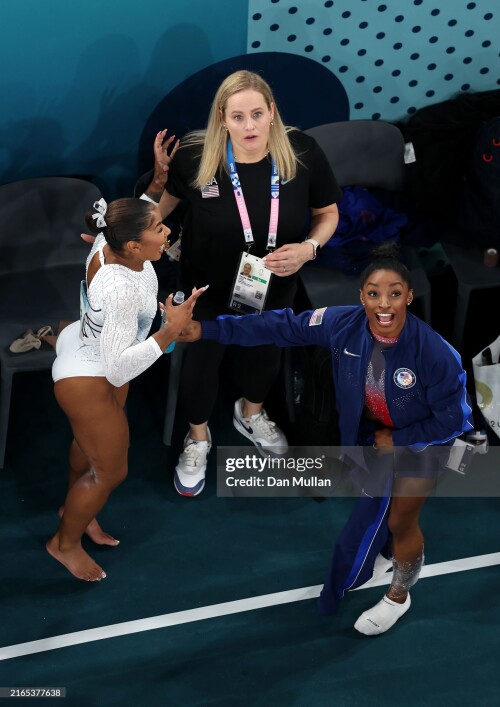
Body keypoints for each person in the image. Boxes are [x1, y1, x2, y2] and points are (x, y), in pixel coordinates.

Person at [178, 242, 474, 634]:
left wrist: (400, 437)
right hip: (372, 435)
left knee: (401, 521)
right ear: (361, 297)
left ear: (409, 296)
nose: (384, 304)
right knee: (375, 513)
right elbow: (280, 325)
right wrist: (204, 329)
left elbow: (455, 420)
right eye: (373, 293)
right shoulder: (342, 323)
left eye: (395, 294)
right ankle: (380, 553)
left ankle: (398, 596)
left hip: (423, 443)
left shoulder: (437, 355)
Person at [143, 70, 342, 497]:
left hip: (272, 288)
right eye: (238, 116)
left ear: (272, 112)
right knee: (200, 367)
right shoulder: (196, 157)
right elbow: (156, 215)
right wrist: (156, 183)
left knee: (264, 360)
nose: (249, 126)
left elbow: (328, 215)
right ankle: (197, 437)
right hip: (204, 289)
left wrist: (309, 248)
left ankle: (250, 413)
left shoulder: (302, 153)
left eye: (257, 113)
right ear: (222, 118)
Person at [46, 197, 205, 582]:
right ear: (133, 245)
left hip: (88, 347)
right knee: (111, 472)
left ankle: (76, 512)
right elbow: (118, 371)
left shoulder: (110, 238)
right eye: (159, 228)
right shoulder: (121, 292)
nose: (166, 229)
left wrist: (159, 184)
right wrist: (169, 329)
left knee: (90, 447)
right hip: (89, 376)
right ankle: (63, 545)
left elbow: (142, 209)